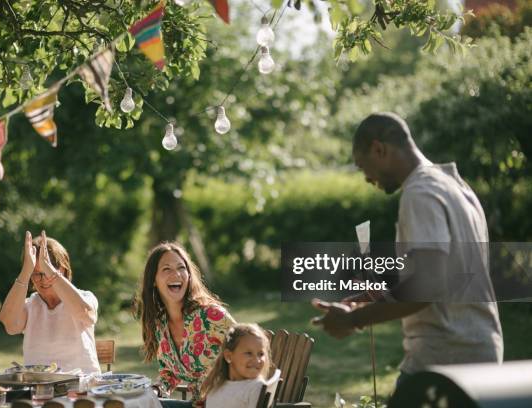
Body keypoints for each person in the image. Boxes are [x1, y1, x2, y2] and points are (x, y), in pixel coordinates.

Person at [312, 112, 503, 385]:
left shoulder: (420, 193)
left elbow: (426, 287)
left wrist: (353, 319)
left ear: (379, 149)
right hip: (479, 348)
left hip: (445, 357)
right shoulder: (456, 186)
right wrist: (378, 298)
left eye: (361, 165)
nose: (366, 178)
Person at [136, 242, 236, 407]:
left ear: (189, 275)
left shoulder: (211, 315)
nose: (176, 274)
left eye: (181, 268)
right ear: (153, 280)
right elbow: (170, 373)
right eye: (166, 269)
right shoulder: (161, 325)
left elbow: (245, 348)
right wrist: (155, 390)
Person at [0, 230, 100, 374]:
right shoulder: (30, 305)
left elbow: (87, 315)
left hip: (81, 385)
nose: (43, 279)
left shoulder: (84, 296)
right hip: (38, 387)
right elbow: (10, 325)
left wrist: (50, 270)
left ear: (63, 270)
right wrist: (25, 271)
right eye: (36, 274)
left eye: (47, 272)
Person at [201, 323, 276, 408]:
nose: (257, 360)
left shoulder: (256, 387)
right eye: (248, 353)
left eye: (261, 354)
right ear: (229, 356)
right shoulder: (216, 385)